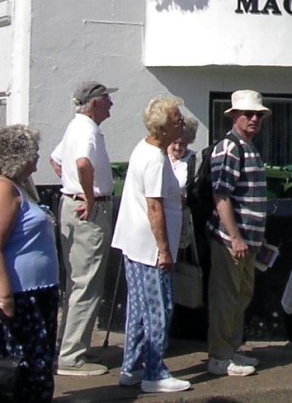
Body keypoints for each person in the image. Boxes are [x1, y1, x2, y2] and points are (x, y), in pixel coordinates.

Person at [0, 125, 59, 402]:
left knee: (35, 373)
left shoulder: (17, 186)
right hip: (14, 297)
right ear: (19, 156)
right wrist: (5, 298)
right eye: (34, 152)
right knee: (14, 376)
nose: (37, 158)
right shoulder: (1, 189)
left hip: (34, 294)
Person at [111, 95, 190, 394]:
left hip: (134, 243)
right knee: (160, 308)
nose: (182, 124)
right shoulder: (155, 159)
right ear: (163, 127)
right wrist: (165, 250)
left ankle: (131, 367)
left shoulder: (145, 148)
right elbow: (154, 207)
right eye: (178, 120)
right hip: (149, 248)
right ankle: (154, 372)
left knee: (138, 307)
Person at [50, 81, 117, 377]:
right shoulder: (87, 130)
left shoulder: (75, 127)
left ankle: (70, 345)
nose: (111, 104)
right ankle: (72, 356)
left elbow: (56, 160)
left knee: (77, 282)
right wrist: (88, 197)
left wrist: (72, 189)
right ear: (94, 103)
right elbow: (81, 164)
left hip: (72, 205)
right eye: (107, 99)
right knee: (86, 283)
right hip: (88, 210)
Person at [206, 90, 270, 377]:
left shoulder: (249, 147)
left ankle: (231, 350)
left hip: (248, 240)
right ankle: (220, 356)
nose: (254, 118)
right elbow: (221, 196)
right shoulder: (229, 148)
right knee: (226, 298)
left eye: (259, 115)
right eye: (248, 114)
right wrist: (235, 236)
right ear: (234, 116)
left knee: (241, 296)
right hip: (231, 240)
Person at [167, 115, 199, 252]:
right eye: (174, 142)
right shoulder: (161, 157)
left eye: (183, 143)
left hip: (182, 219)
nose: (178, 147)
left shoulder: (194, 160)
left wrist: (186, 199)